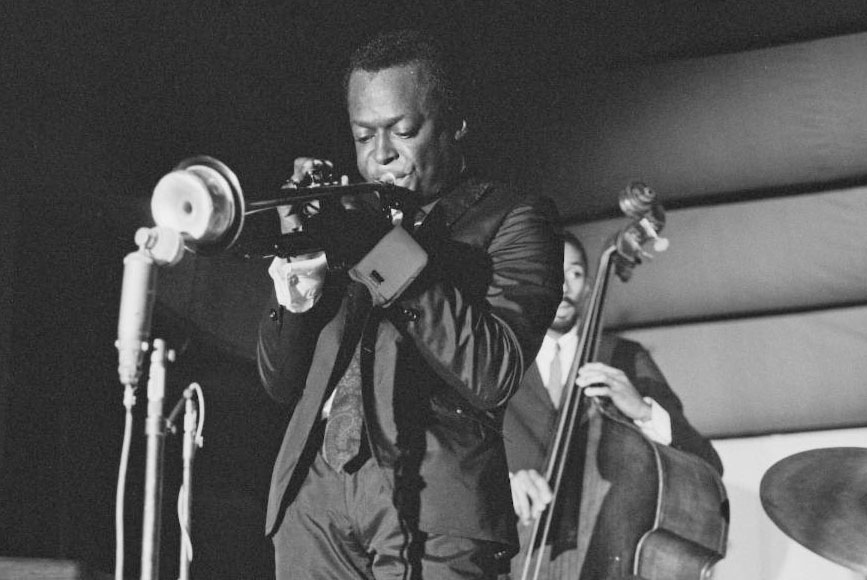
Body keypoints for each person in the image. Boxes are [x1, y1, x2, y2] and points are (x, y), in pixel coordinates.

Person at [257, 29, 564, 579]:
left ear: (456, 125)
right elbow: (282, 383)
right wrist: (300, 286)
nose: (381, 155)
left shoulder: (515, 219)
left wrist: (380, 246)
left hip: (435, 501)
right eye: (362, 135)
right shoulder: (346, 222)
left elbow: (493, 371)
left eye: (403, 131)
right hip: (313, 494)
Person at [503, 231, 723, 578]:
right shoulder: (499, 362)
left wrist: (642, 410)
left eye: (574, 274)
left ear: (589, 286)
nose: (563, 287)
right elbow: (455, 454)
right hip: (516, 557)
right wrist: (505, 480)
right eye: (551, 275)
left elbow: (704, 462)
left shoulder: (624, 357)